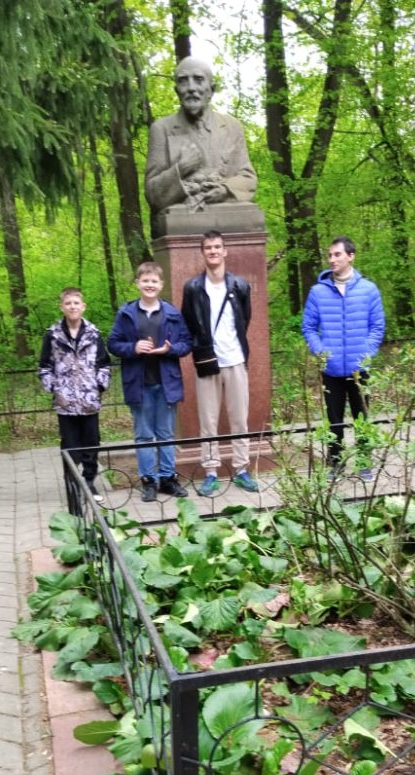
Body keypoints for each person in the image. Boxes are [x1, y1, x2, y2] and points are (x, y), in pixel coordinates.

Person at [107, 262, 192, 502]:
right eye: (145, 281)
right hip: (139, 383)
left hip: (166, 383)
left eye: (154, 281)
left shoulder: (172, 313)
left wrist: (169, 349)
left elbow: (186, 344)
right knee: (144, 435)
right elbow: (112, 344)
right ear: (137, 283)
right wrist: (133, 347)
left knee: (165, 433)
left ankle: (168, 479)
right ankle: (149, 481)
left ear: (161, 285)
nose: (150, 285)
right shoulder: (126, 314)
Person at [302, 236, 385, 480]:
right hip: (331, 368)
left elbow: (377, 326)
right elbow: (308, 327)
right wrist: (321, 352)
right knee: (334, 419)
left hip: (360, 369)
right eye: (330, 255)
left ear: (351, 256)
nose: (332, 259)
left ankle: (364, 463)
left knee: (362, 416)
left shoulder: (368, 290)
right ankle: (335, 464)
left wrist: (367, 353)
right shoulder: (318, 292)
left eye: (337, 254)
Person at [181, 230, 258, 496]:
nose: (213, 251)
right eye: (208, 248)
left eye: (217, 247)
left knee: (239, 419)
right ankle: (211, 471)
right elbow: (188, 322)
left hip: (235, 359)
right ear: (203, 253)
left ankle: (241, 469)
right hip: (207, 360)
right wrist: (200, 346)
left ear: (225, 251)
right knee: (208, 421)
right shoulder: (193, 288)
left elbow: (244, 319)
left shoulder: (239, 286)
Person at [144, 56, 257, 228]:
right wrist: (180, 169)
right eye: (183, 81)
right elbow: (152, 193)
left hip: (228, 217)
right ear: (177, 91)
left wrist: (225, 189)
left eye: (198, 80)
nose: (191, 88)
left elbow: (248, 179)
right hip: (182, 220)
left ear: (211, 90)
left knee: (251, 215)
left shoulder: (232, 127)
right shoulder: (162, 129)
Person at [39, 287, 111, 501]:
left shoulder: (93, 333)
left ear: (83, 306)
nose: (72, 307)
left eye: (76, 303)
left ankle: (89, 482)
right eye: (68, 303)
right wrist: (55, 388)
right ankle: (72, 485)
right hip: (66, 402)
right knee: (70, 445)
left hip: (89, 400)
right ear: (62, 307)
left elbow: (104, 364)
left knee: (91, 443)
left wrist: (99, 386)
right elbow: (44, 366)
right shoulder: (53, 335)